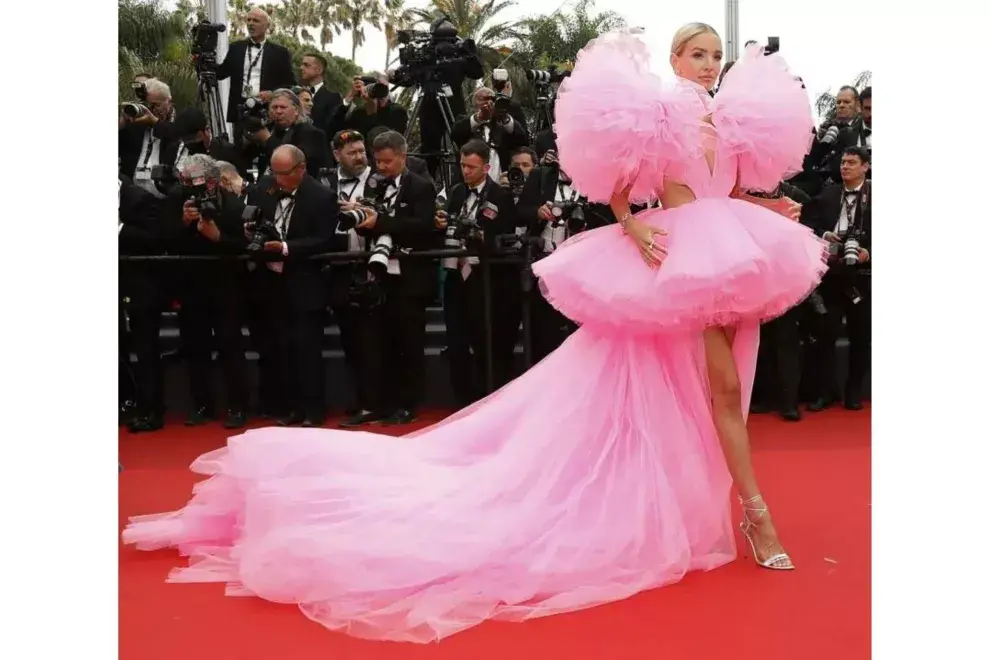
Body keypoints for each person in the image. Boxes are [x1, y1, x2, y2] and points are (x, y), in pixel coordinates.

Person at [122, 24, 825, 644]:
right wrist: (635, 225)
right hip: (673, 260)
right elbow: (619, 186)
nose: (708, 64)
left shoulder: (732, 122)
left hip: (728, 252)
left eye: (714, 55)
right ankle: (755, 515)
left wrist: (772, 203)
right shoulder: (657, 116)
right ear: (674, 59)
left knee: (714, 387)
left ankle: (711, 504)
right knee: (722, 389)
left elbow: (725, 191)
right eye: (697, 54)